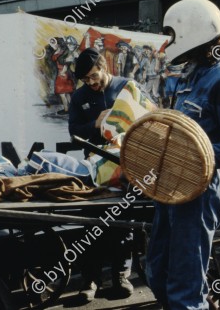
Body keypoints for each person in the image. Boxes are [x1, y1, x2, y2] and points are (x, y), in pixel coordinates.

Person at [145, 0, 220, 310]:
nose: (169, 43)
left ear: (191, 31)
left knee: (184, 287)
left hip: (200, 192)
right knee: (157, 270)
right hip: (171, 188)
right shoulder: (190, 75)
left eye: (172, 34)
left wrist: (192, 154)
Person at [68, 48, 137, 302]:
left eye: (94, 76)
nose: (92, 83)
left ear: (104, 66)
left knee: (123, 224)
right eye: (86, 80)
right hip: (95, 170)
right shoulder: (79, 97)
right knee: (91, 226)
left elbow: (148, 116)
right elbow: (73, 130)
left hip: (126, 169)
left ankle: (121, 276)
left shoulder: (127, 87)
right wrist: (94, 125)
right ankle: (90, 281)